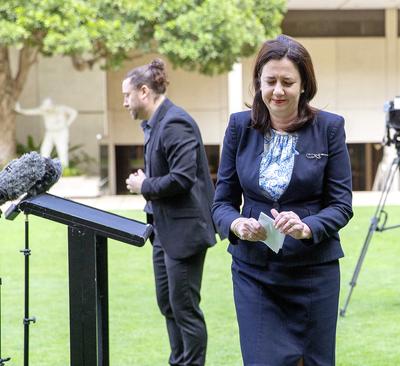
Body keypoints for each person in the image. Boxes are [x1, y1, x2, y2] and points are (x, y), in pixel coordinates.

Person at [211, 34, 353, 366]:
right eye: (270, 81)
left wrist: (307, 227)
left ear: (304, 84)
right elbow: (221, 203)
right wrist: (236, 223)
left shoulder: (330, 128)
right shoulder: (239, 127)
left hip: (313, 273)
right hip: (254, 273)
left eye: (287, 82)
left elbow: (341, 204)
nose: (278, 90)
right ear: (258, 82)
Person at [123, 59, 216, 366]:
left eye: (127, 96)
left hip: (185, 233)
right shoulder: (155, 124)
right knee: (168, 304)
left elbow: (182, 178)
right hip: (163, 231)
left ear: (144, 91)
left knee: (185, 308)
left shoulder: (175, 123)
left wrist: (144, 185)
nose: (125, 103)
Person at [15, 98, 78, 167]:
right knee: (45, 149)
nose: (46, 110)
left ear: (51, 105)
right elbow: (31, 112)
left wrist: (67, 123)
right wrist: (20, 110)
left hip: (61, 132)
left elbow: (74, 112)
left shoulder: (61, 109)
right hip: (50, 132)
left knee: (62, 150)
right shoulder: (43, 110)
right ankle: (43, 167)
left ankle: (64, 168)